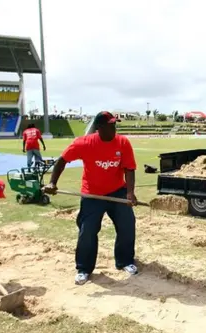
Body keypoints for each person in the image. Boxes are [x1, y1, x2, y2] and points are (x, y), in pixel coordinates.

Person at [43, 111, 138, 285]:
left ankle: (125, 261)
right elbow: (62, 160)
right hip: (92, 193)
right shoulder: (84, 143)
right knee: (87, 231)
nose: (114, 128)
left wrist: (130, 193)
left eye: (115, 124)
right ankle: (84, 269)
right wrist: (52, 183)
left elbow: (129, 168)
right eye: (110, 125)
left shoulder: (122, 142)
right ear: (99, 127)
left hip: (117, 190)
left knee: (127, 225)